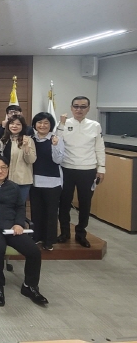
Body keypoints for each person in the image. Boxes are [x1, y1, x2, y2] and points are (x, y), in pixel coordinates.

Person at [0, 156, 48, 307]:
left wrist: (19, 224)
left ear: (8, 169)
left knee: (34, 251)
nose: (0, 171)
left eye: (3, 167)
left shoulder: (13, 187)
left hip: (11, 228)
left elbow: (20, 207)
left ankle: (30, 286)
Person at [56, 96, 105, 248]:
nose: (79, 109)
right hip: (66, 169)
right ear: (71, 108)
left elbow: (99, 148)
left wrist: (101, 168)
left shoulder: (95, 125)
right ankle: (64, 232)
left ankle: (81, 233)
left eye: (83, 107)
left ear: (88, 109)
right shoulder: (63, 124)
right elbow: (56, 142)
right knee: (64, 203)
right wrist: (61, 124)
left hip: (88, 170)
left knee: (85, 203)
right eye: (76, 106)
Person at [30, 112, 64, 251]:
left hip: (52, 182)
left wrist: (55, 146)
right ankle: (36, 236)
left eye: (46, 123)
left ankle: (49, 240)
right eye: (39, 122)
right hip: (34, 181)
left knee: (50, 213)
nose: (42, 125)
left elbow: (58, 160)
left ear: (51, 125)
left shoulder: (56, 139)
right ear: (34, 125)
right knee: (36, 211)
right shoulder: (31, 139)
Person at [0, 115, 36, 202]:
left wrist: (26, 147)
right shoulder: (4, 140)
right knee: (6, 205)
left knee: (19, 206)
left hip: (22, 180)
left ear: (22, 126)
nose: (14, 126)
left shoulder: (28, 140)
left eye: (18, 124)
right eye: (12, 123)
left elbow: (31, 160)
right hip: (5, 180)